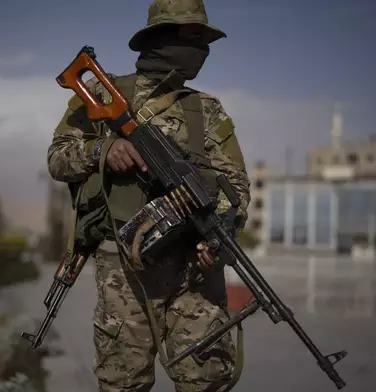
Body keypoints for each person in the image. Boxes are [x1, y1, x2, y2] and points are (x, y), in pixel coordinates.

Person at [46, 0, 251, 391]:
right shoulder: (101, 96)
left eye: (205, 43)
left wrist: (220, 231)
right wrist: (103, 151)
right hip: (123, 272)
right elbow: (58, 160)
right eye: (194, 40)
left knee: (206, 381)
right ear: (161, 39)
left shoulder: (206, 111)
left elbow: (235, 185)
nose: (202, 52)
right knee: (123, 382)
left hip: (194, 273)